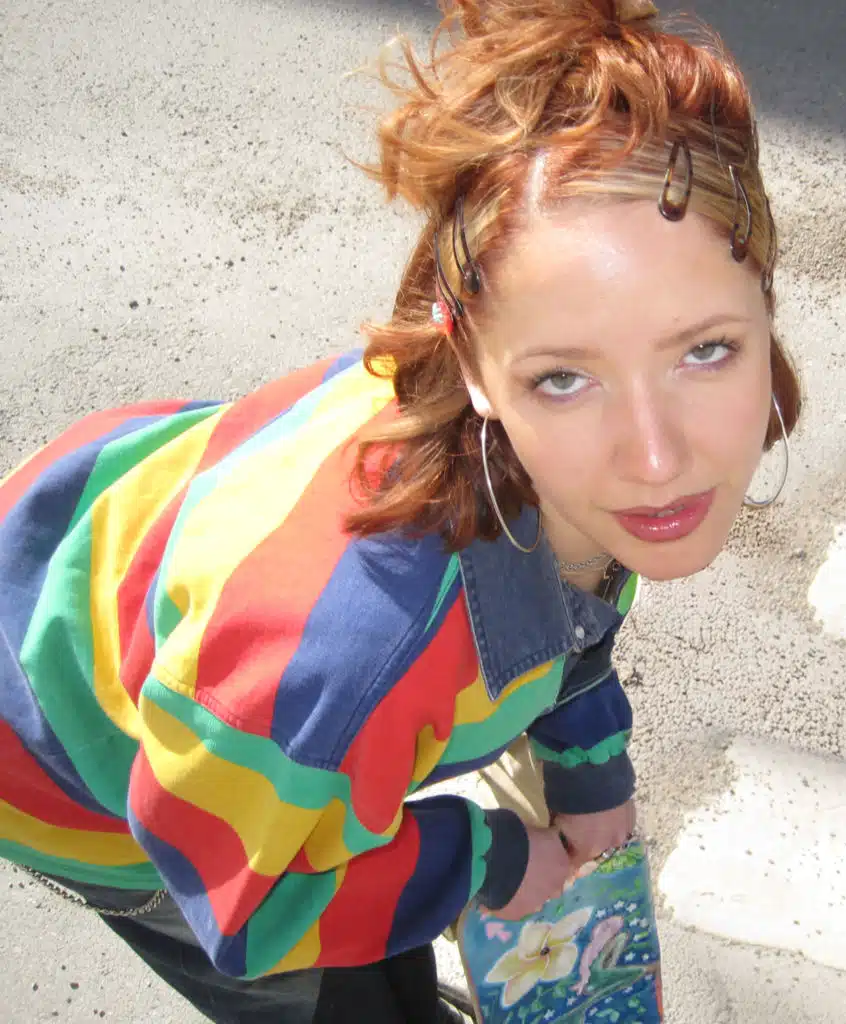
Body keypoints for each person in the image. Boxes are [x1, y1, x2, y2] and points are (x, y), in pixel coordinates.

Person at [0, 0, 801, 1021]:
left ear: (766, 308)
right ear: (469, 365)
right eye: (564, 378)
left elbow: (571, 626)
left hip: (223, 658)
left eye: (705, 350)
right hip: (78, 763)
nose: (655, 457)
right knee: (323, 990)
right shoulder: (346, 655)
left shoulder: (564, 479)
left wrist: (591, 783)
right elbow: (246, 910)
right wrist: (487, 860)